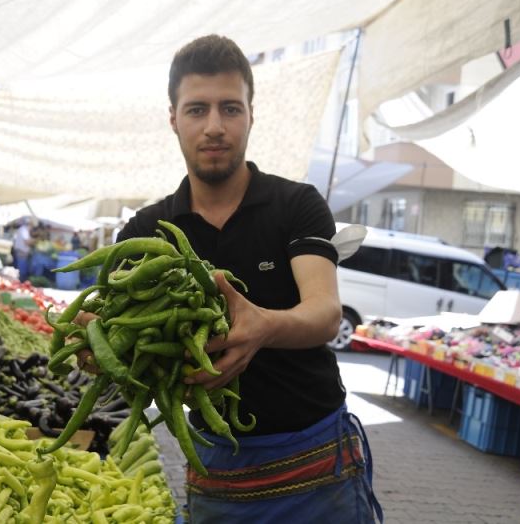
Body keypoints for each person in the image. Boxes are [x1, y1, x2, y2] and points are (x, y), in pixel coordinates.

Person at [102, 35, 382, 523]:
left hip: (315, 463)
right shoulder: (147, 232)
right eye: (197, 110)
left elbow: (324, 311)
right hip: (217, 472)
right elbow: (119, 336)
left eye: (230, 108)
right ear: (173, 118)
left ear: (251, 114)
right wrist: (98, 344)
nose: (214, 127)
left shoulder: (295, 205)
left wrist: (264, 326)